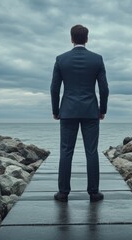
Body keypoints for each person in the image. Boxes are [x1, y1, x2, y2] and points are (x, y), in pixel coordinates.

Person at [50, 24, 109, 202]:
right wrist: (102, 110)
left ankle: (63, 193)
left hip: (67, 111)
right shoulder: (97, 59)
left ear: (71, 38)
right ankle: (94, 192)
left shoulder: (61, 59)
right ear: (87, 38)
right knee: (91, 151)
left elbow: (54, 88)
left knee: (66, 151)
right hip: (91, 111)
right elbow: (104, 88)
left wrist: (56, 110)